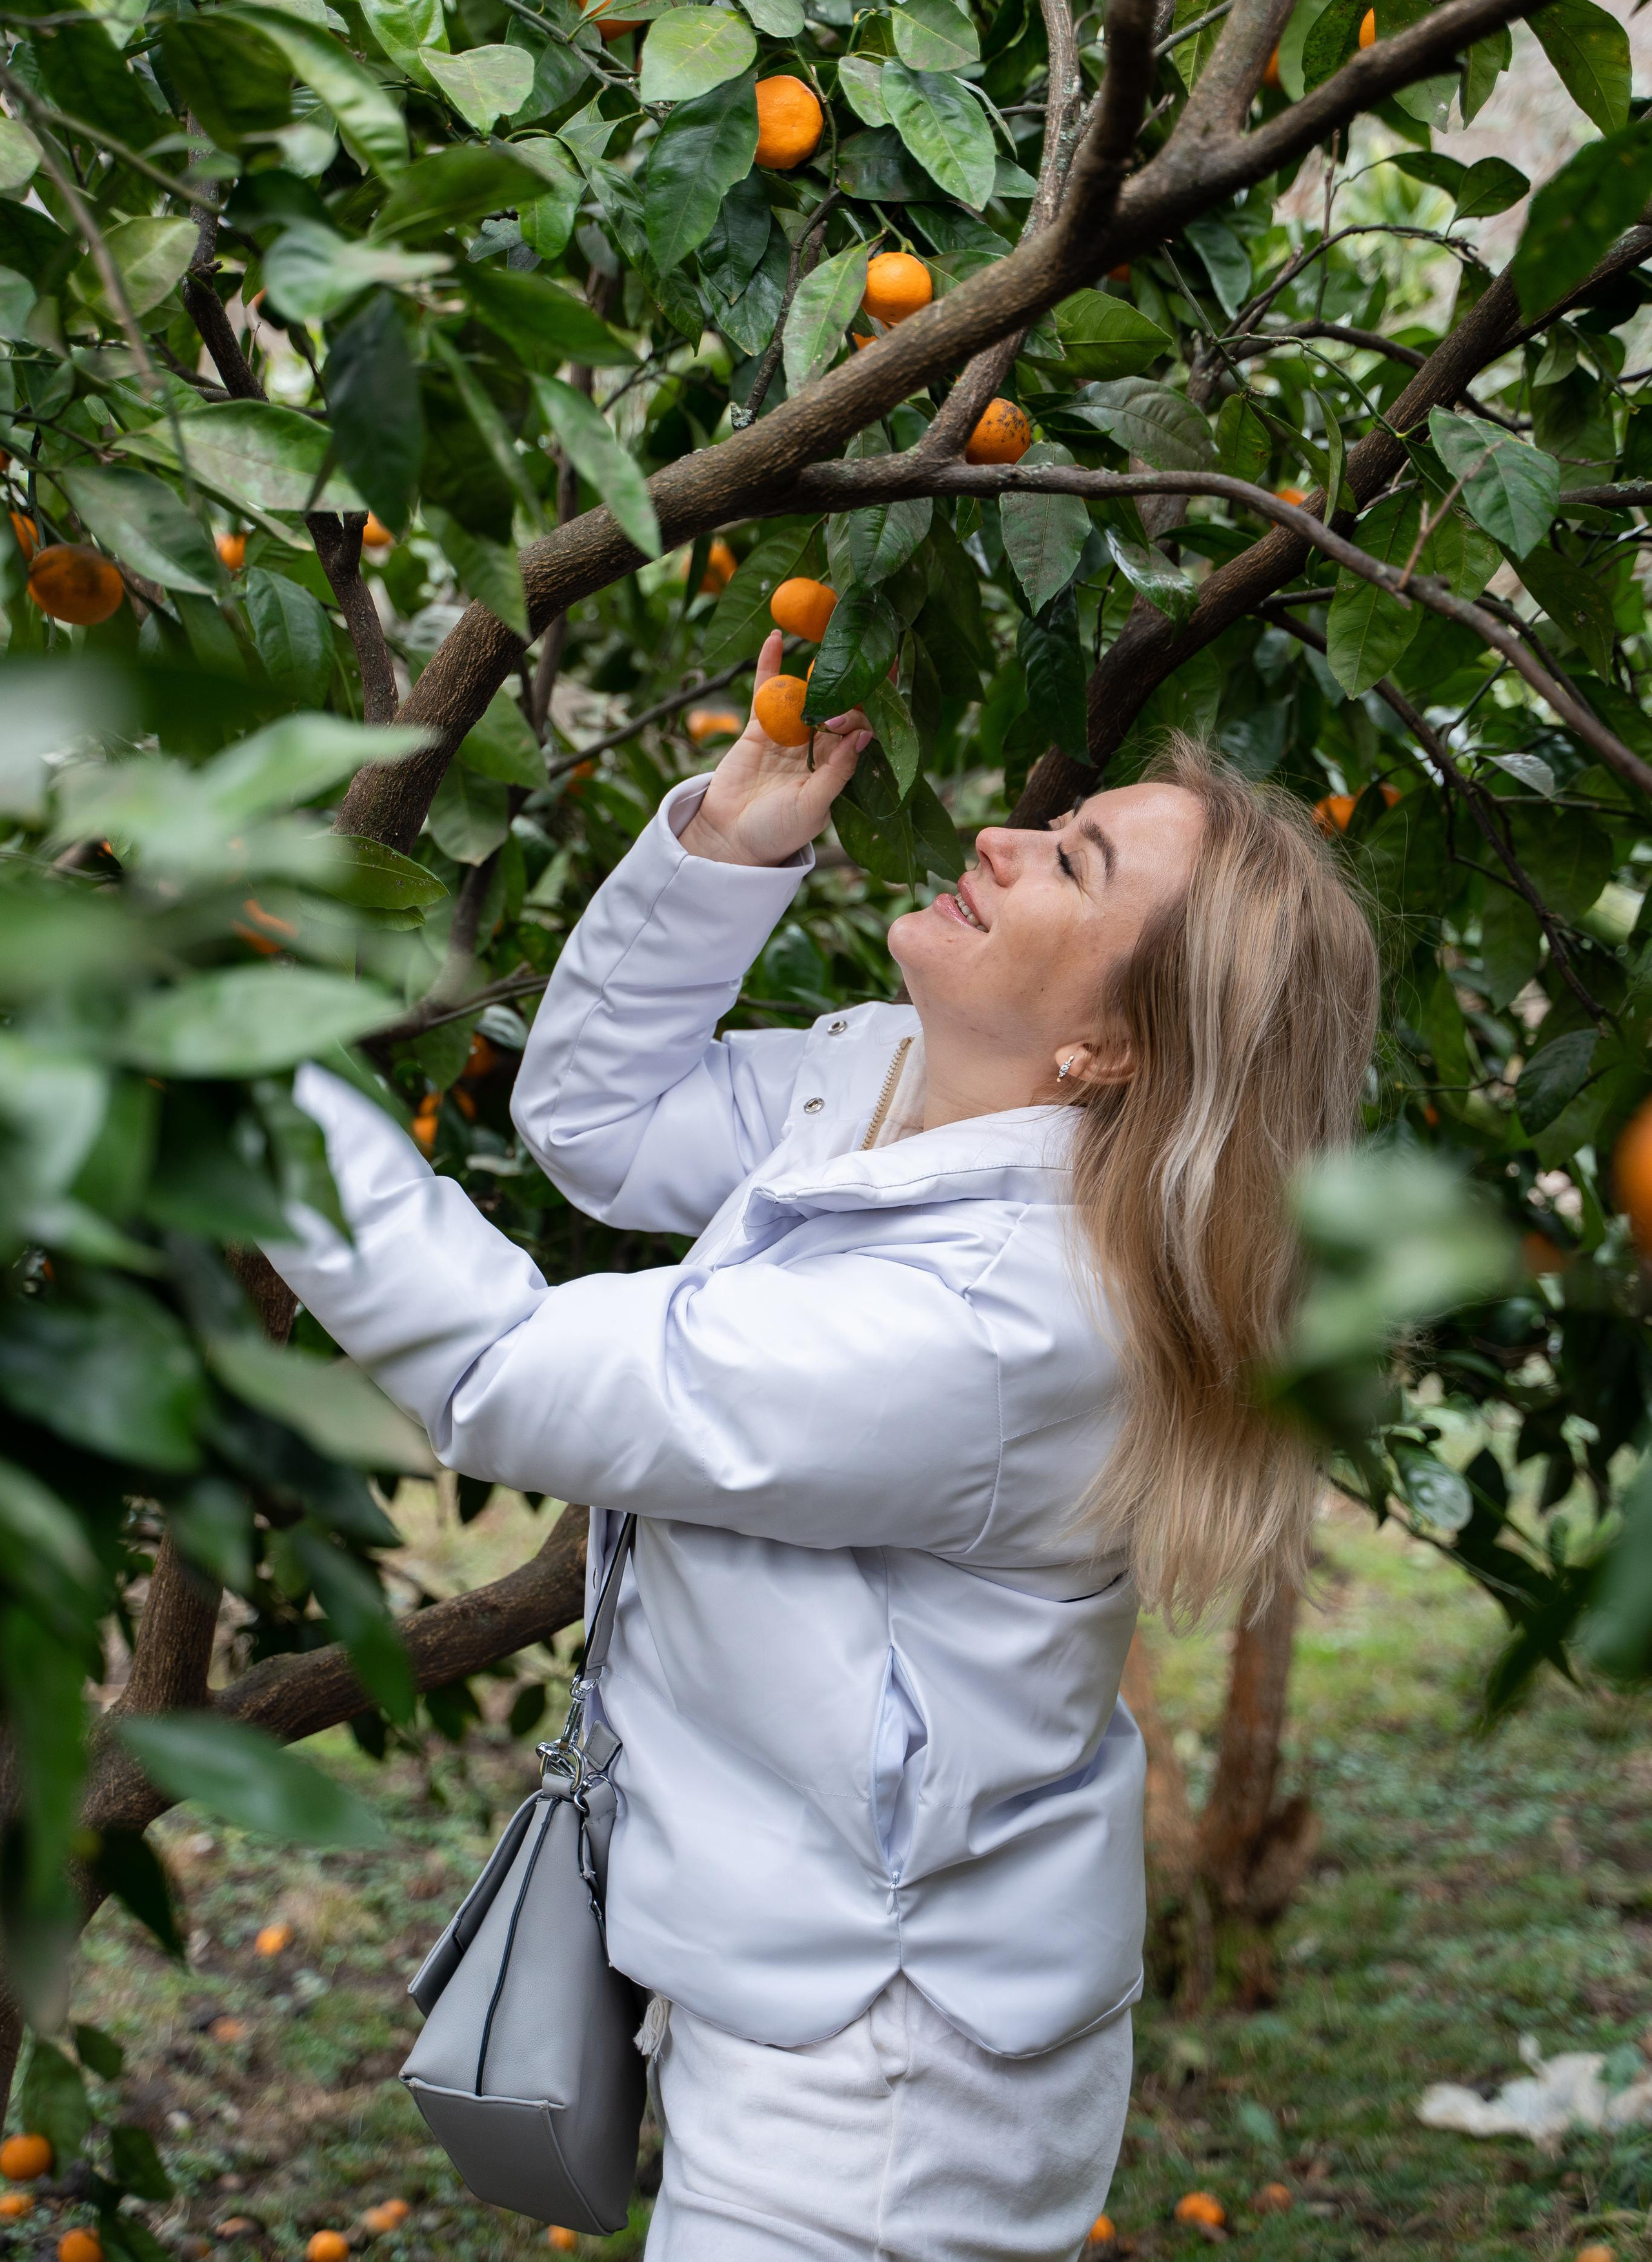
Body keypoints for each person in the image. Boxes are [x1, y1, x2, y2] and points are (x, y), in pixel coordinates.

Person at [268, 629, 1380, 2262]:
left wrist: (243, 1081)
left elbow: (508, 1369)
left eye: (1073, 862)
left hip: (883, 2085)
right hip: (802, 1968)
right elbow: (596, 1131)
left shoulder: (1003, 1324)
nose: (1000, 837)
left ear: (1116, 1047)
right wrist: (721, 856)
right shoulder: (887, 1083)